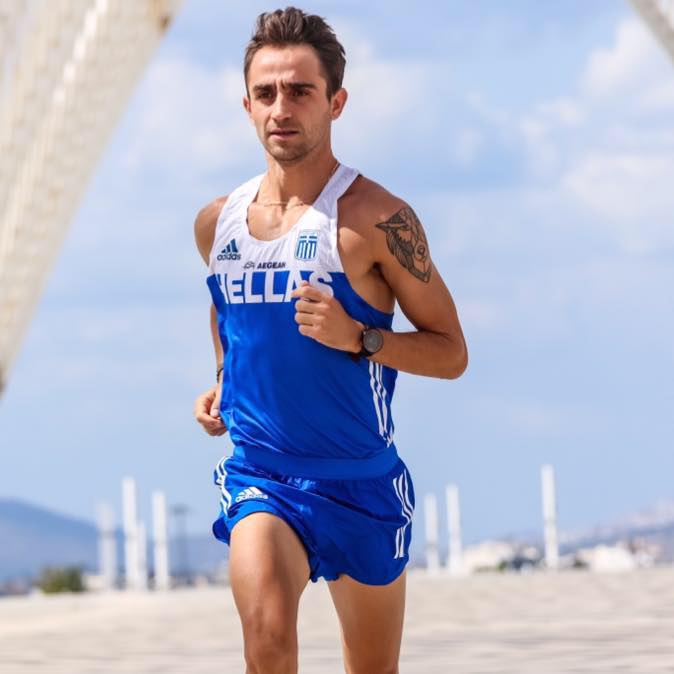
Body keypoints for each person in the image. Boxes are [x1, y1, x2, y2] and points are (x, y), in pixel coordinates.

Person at [193, 7, 468, 674]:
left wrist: (361, 338)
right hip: (262, 474)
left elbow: (451, 351)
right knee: (266, 639)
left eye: (300, 91)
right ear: (247, 105)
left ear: (335, 102)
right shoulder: (217, 224)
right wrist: (224, 380)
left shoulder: (378, 220)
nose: (280, 108)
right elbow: (225, 311)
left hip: (360, 481)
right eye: (265, 93)